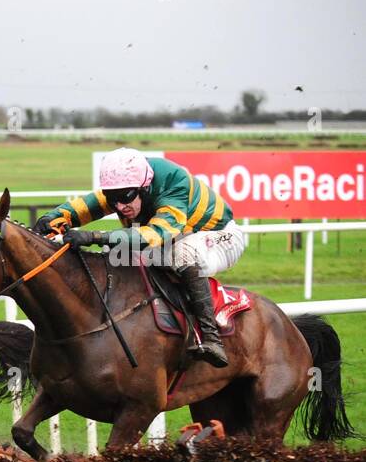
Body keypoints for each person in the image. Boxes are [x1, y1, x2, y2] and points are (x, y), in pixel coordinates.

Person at [33, 148, 243, 368]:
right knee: (121, 257)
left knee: (180, 254)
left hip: (220, 236)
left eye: (126, 198)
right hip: (179, 236)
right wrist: (53, 218)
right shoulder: (125, 187)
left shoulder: (172, 182)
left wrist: (95, 236)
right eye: (113, 200)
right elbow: (85, 206)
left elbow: (156, 234)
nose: (120, 207)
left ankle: (211, 337)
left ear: (144, 188)